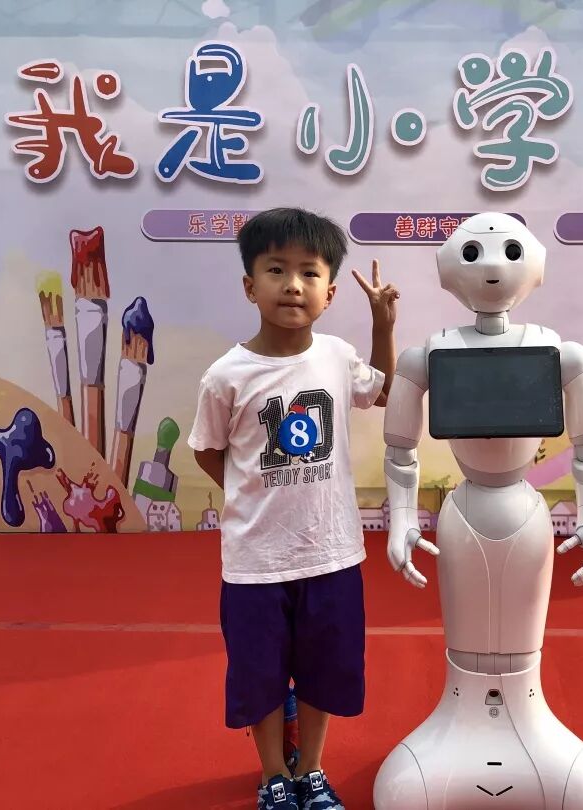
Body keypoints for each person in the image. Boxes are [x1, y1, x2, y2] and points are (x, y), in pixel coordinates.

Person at [189, 207, 398, 809]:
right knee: (258, 675)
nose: (292, 285)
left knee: (323, 670)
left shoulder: (335, 355)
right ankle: (273, 776)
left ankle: (311, 770)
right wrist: (251, 495)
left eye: (309, 272)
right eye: (276, 269)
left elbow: (383, 389)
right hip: (255, 562)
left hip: (331, 553)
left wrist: (383, 324)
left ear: (329, 293)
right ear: (249, 285)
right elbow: (207, 450)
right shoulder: (226, 376)